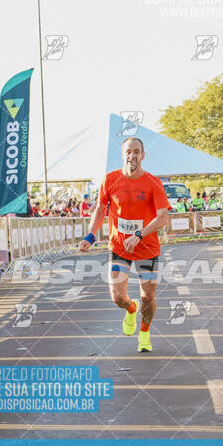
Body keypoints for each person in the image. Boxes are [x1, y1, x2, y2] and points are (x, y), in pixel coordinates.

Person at [78, 137, 169, 352]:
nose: (132, 156)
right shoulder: (109, 180)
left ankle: (144, 332)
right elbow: (100, 210)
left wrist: (139, 234)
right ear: (123, 155)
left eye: (137, 151)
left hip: (147, 247)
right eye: (129, 152)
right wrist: (90, 236)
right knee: (117, 297)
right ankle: (131, 309)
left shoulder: (153, 182)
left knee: (148, 297)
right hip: (120, 247)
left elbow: (163, 216)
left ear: (143, 155)